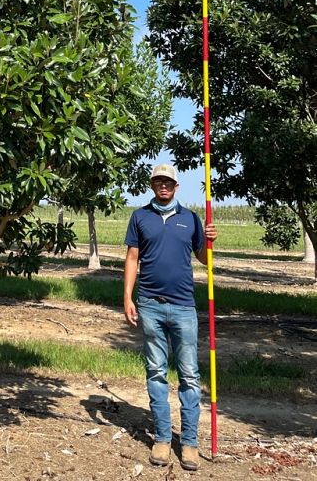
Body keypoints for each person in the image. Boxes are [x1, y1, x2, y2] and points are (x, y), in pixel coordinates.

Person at [123, 163, 217, 472]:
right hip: (150, 304)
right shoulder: (140, 217)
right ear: (152, 185)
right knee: (156, 372)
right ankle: (162, 438)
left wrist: (210, 242)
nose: (163, 185)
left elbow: (203, 257)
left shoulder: (190, 219)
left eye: (168, 182)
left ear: (177, 186)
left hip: (183, 307)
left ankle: (189, 442)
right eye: (158, 181)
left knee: (189, 375)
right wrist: (127, 297)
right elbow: (133, 258)